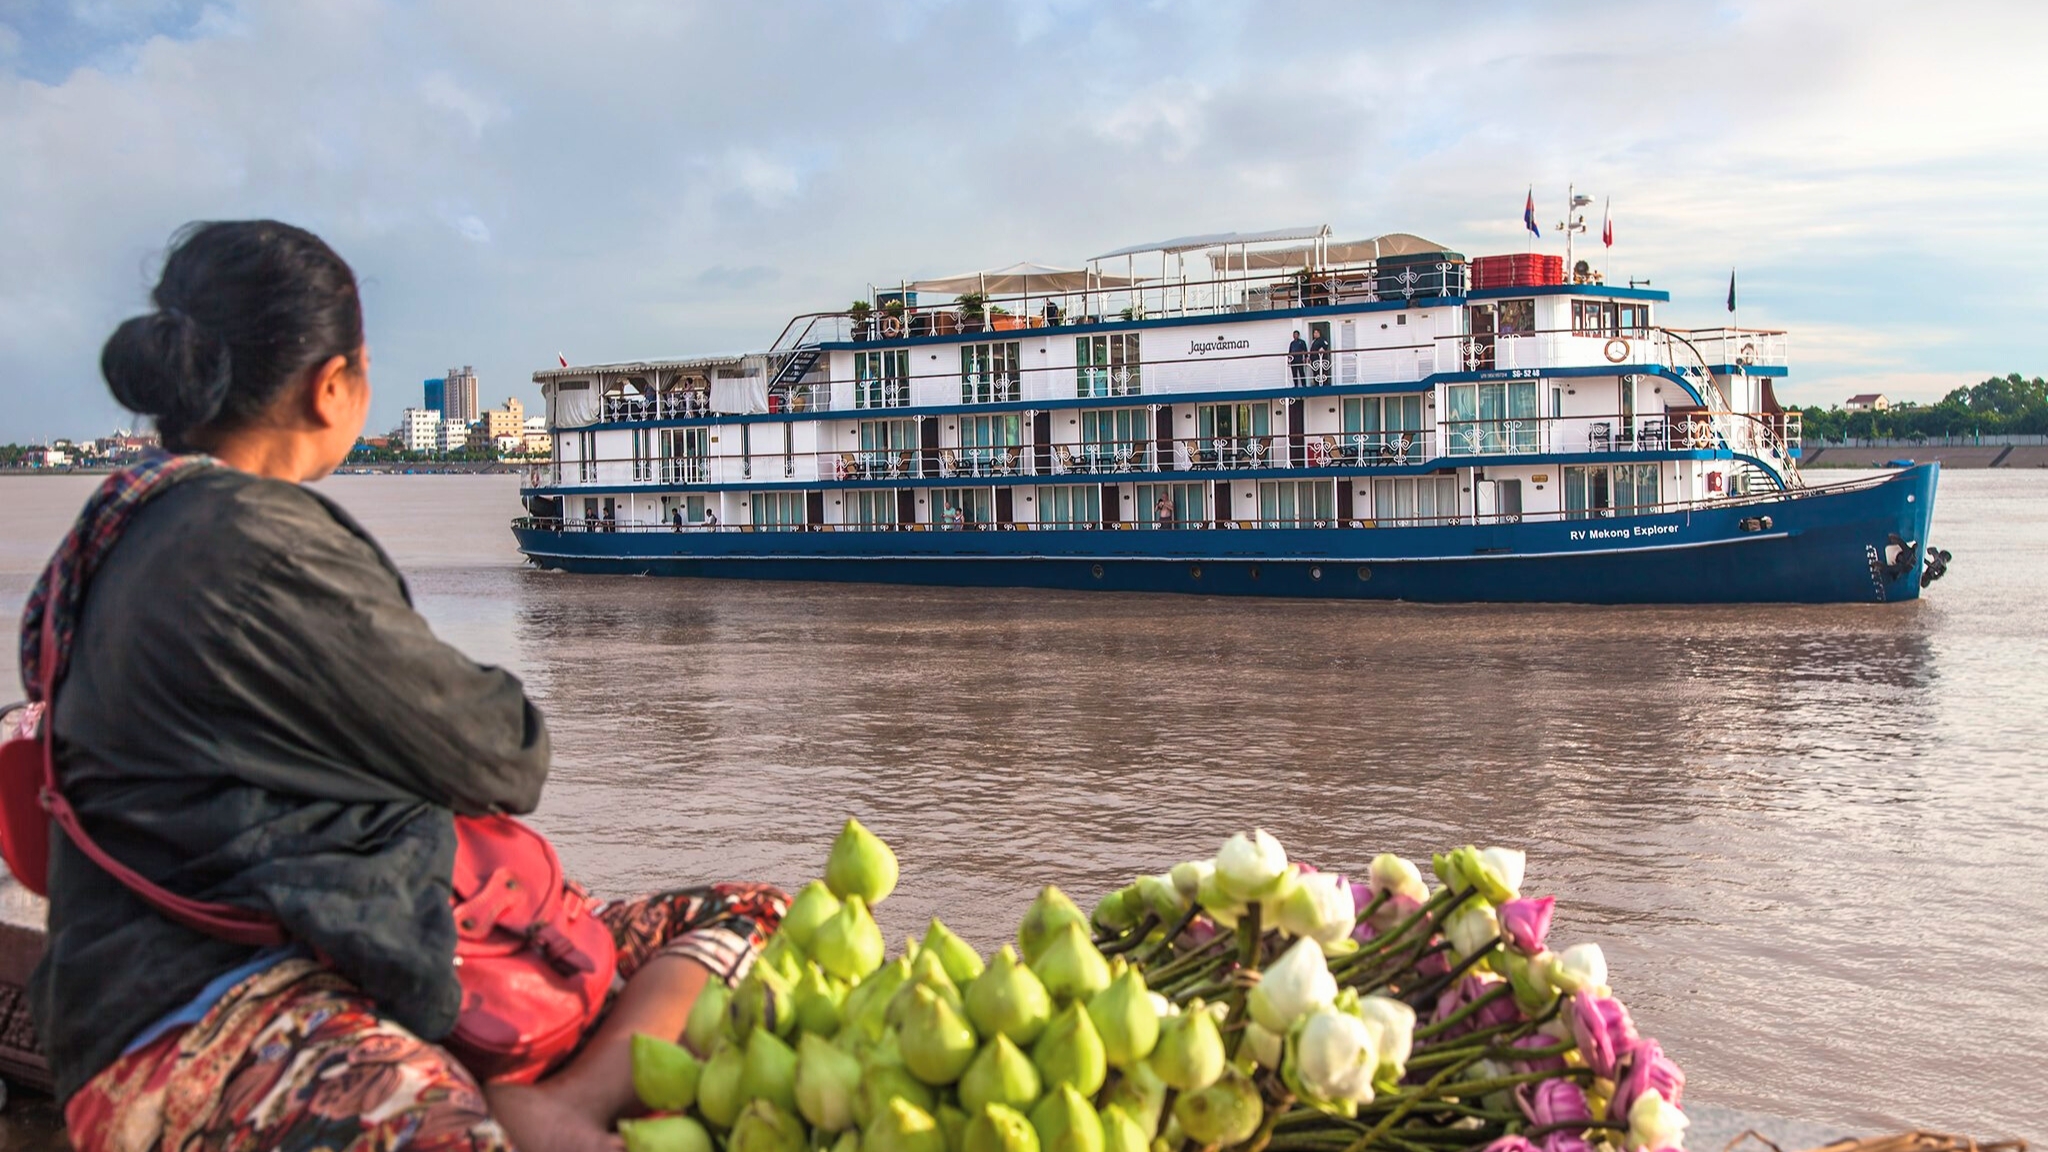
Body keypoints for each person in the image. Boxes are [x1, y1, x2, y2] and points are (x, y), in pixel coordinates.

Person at [33, 221, 785, 1152]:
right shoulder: (260, 543)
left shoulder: (106, 531)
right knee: (746, 932)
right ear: (333, 386)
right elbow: (502, 752)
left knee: (745, 914)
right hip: (216, 1003)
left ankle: (564, 1105)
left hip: (162, 973)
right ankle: (550, 1110)